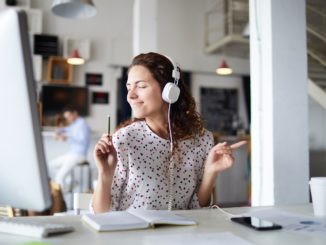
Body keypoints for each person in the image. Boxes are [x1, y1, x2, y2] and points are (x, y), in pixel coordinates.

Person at [92, 52, 246, 213]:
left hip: (181, 235)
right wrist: (105, 174)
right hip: (133, 235)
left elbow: (198, 210)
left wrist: (210, 173)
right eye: (129, 87)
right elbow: (101, 214)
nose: (130, 95)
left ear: (170, 91)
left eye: (142, 86)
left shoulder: (202, 139)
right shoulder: (124, 139)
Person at [48, 106, 91, 192]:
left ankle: (62, 196)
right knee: (51, 165)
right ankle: (71, 182)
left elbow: (82, 140)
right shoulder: (75, 124)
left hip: (79, 155)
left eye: (68, 116)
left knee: (59, 177)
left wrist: (66, 137)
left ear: (75, 113)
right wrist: (59, 131)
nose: (67, 119)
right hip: (72, 154)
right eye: (66, 117)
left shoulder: (82, 124)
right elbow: (67, 130)